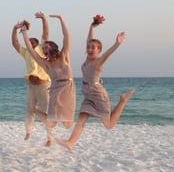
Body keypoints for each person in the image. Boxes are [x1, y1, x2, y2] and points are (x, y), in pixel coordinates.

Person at [57, 20, 135, 150]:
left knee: (109, 125)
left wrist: (117, 44)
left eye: (93, 48)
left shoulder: (98, 62)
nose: (89, 49)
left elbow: (108, 54)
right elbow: (89, 40)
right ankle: (70, 142)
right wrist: (91, 27)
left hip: (98, 95)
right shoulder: (87, 59)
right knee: (82, 117)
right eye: (88, 47)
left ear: (99, 50)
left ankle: (122, 101)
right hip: (88, 94)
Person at [20, 15, 76, 146]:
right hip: (55, 89)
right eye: (43, 48)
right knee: (51, 122)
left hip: (68, 89)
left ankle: (34, 110)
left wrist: (61, 19)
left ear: (52, 47)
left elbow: (66, 37)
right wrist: (24, 32)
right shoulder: (45, 64)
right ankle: (34, 110)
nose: (43, 50)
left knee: (68, 125)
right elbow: (29, 49)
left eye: (45, 47)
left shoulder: (63, 56)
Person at [11, 12, 51, 140]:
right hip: (31, 86)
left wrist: (44, 19)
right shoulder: (26, 52)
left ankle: (50, 136)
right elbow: (15, 43)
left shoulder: (42, 49)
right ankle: (28, 132)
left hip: (44, 85)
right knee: (30, 109)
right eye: (29, 40)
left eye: (32, 40)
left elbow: (45, 34)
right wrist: (14, 29)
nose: (29, 41)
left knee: (46, 112)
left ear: (38, 43)